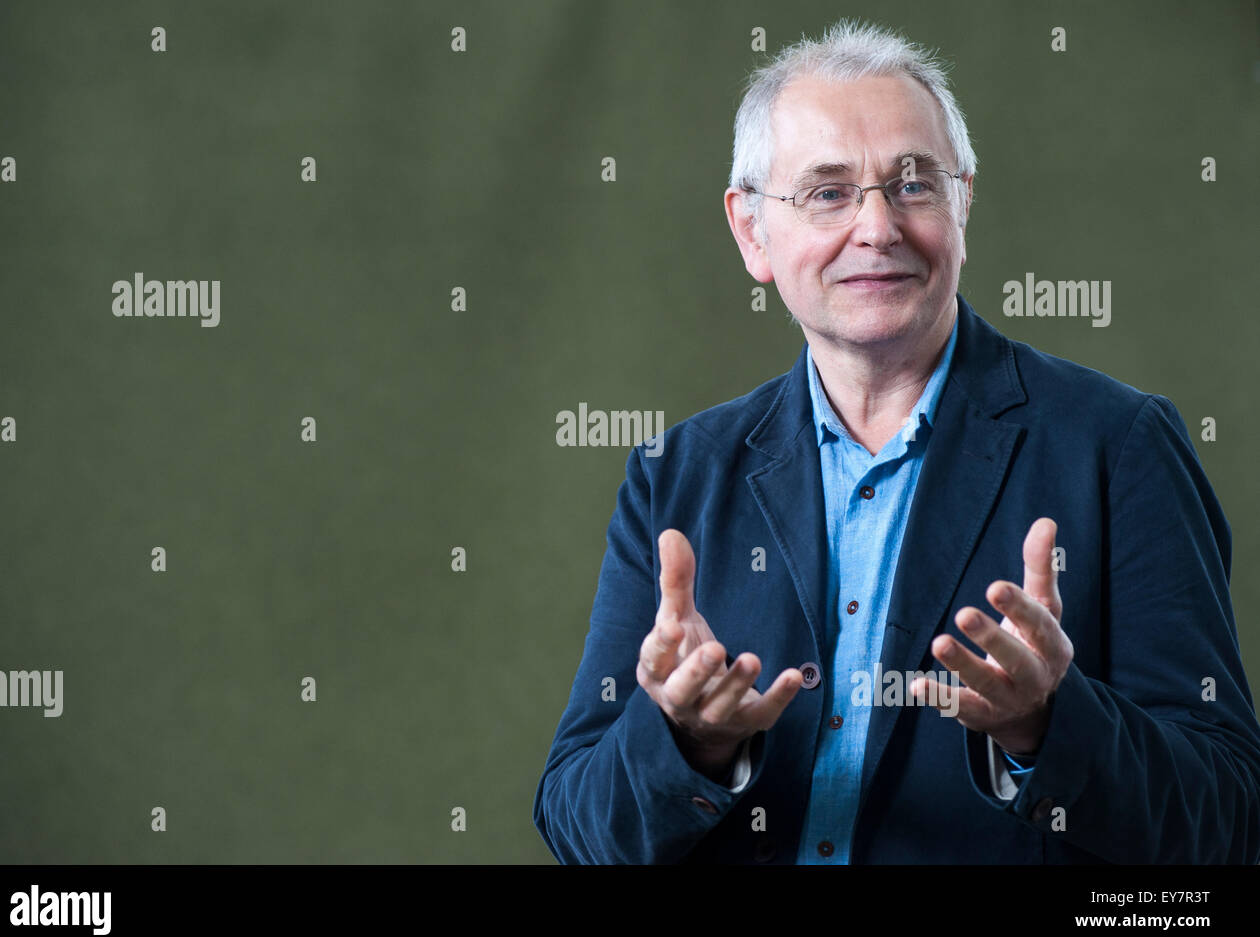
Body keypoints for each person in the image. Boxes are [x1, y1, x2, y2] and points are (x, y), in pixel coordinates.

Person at [532, 19, 1260, 864]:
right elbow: (578, 826)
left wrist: (1049, 726)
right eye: (828, 192)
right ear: (752, 233)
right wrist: (684, 743)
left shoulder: (1120, 446)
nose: (877, 227)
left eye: (913, 184)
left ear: (962, 202)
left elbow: (1231, 820)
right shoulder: (677, 477)